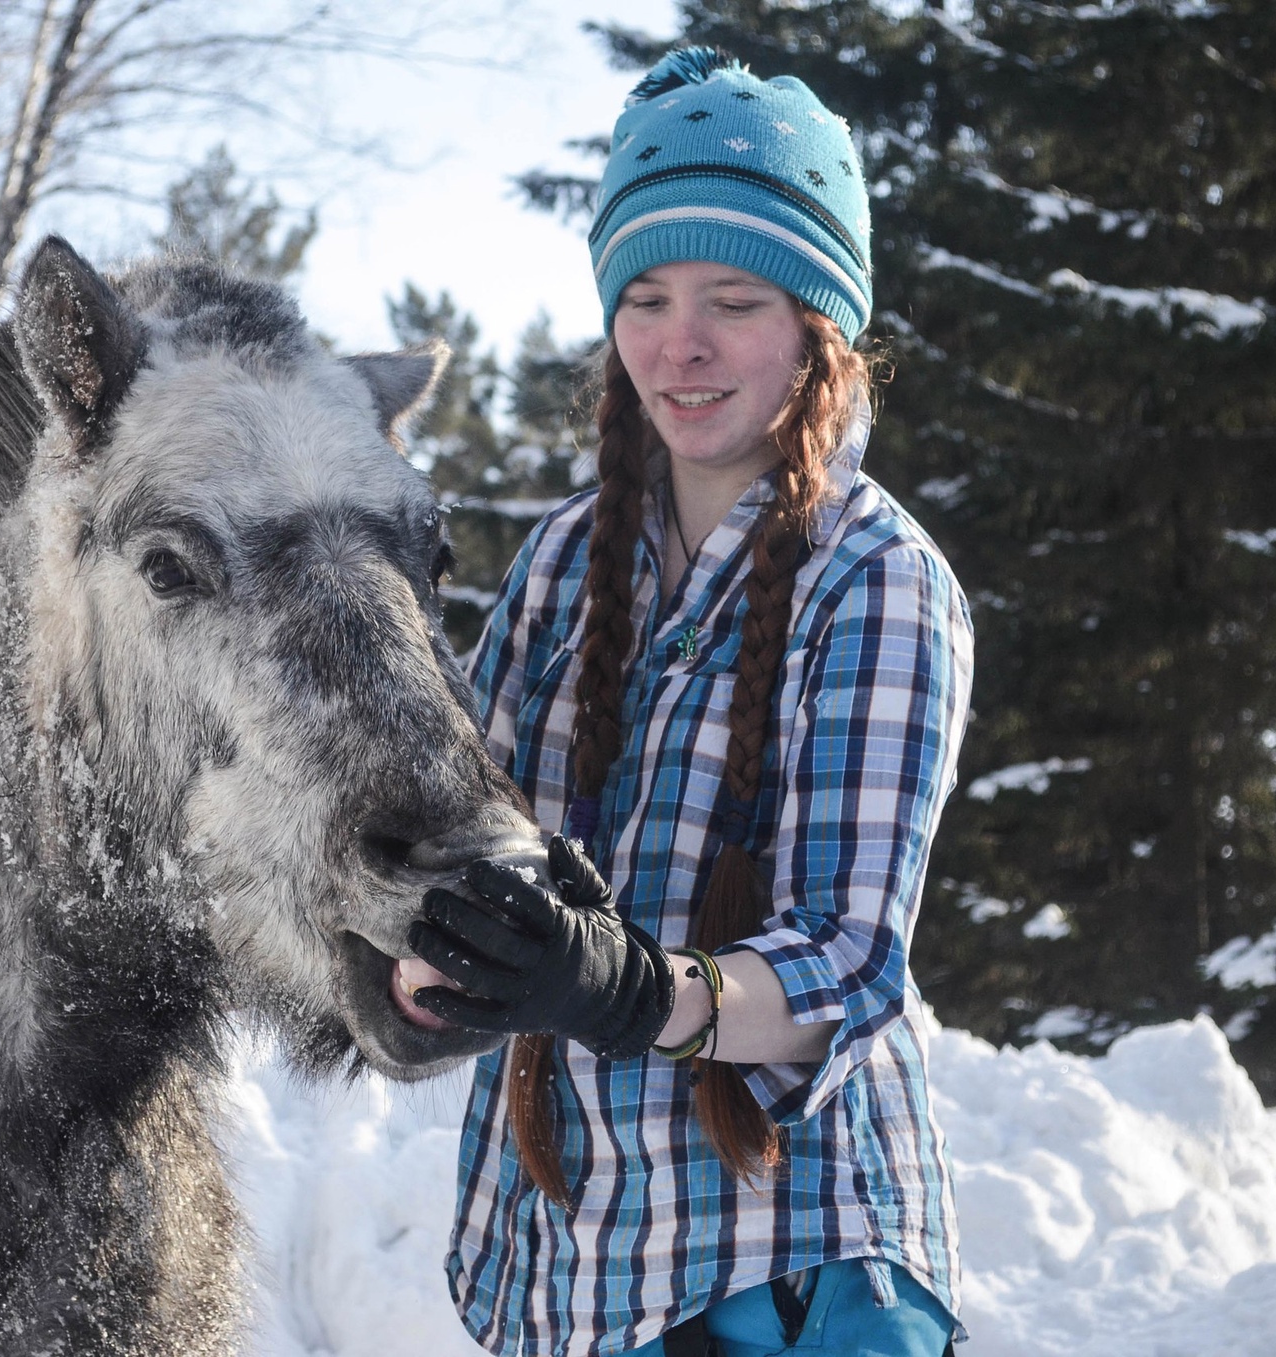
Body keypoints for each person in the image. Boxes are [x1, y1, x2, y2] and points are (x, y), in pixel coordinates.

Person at [404, 47, 974, 1357]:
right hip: (574, 1257)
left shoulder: (878, 583)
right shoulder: (565, 558)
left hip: (793, 1262)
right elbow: (446, 828)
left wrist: (629, 986)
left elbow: (844, 960)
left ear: (817, 329)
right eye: (646, 295)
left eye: (733, 296)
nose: (681, 343)